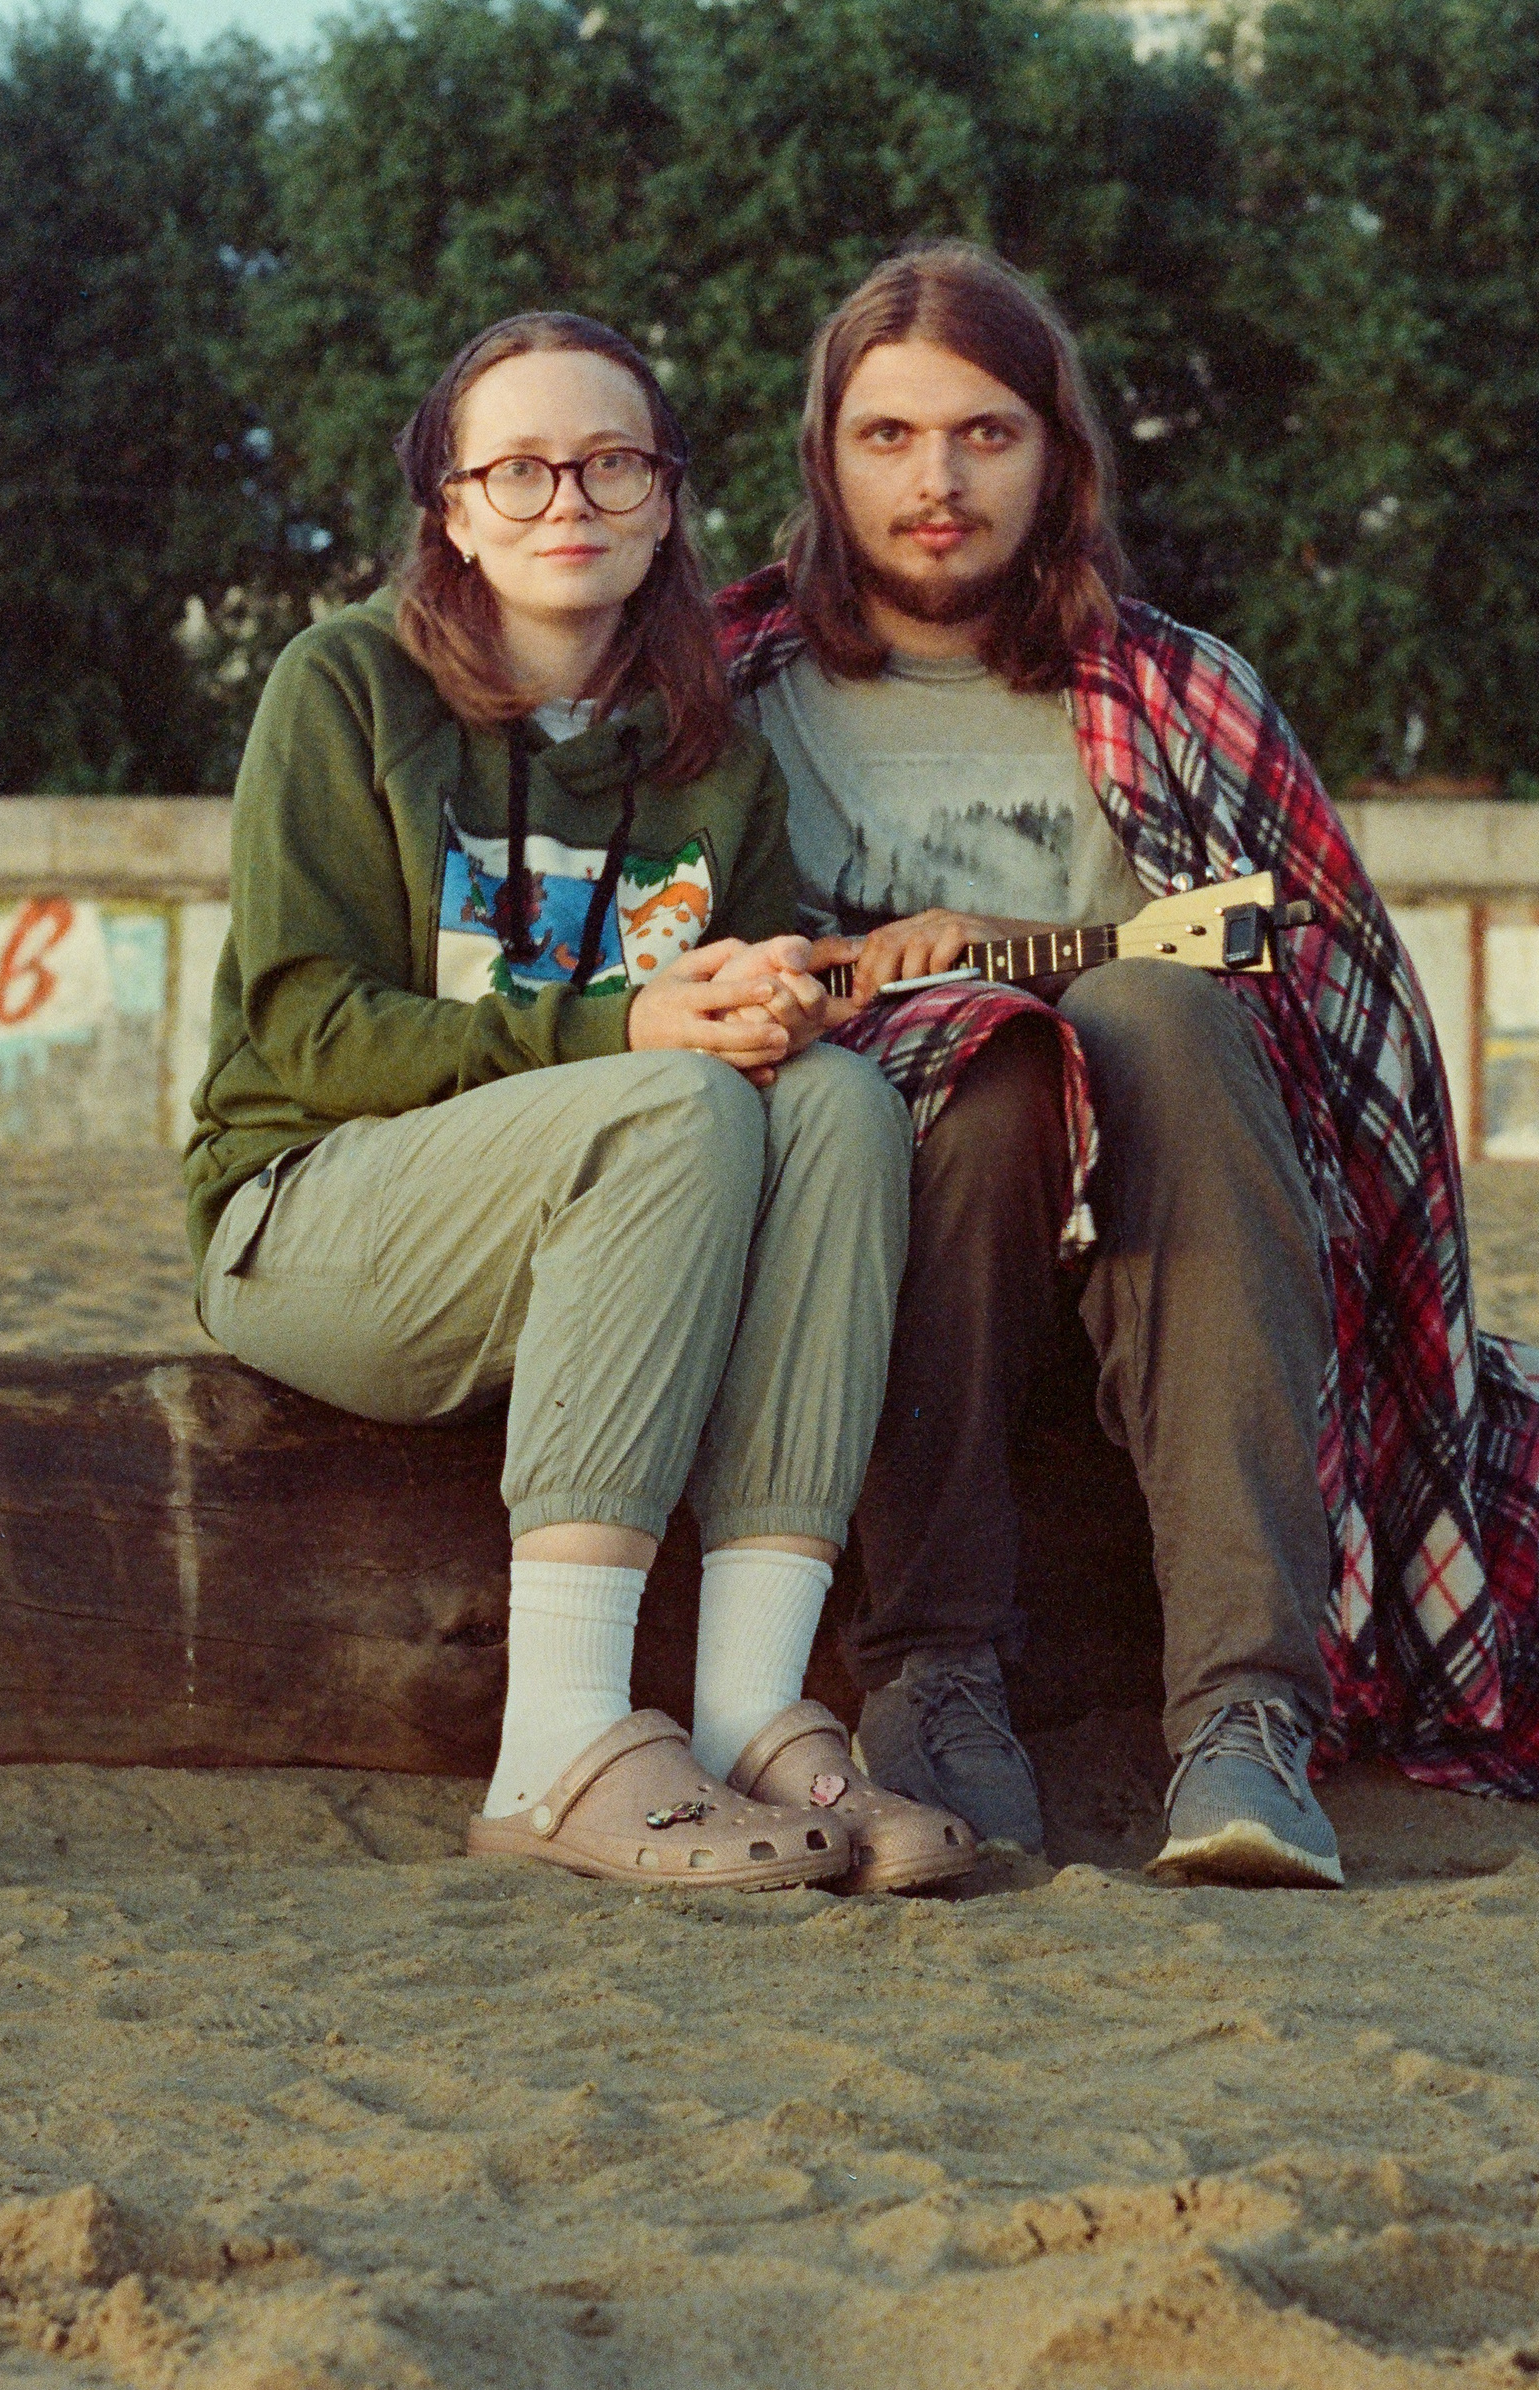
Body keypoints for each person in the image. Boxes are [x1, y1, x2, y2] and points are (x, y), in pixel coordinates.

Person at [718, 244, 1539, 1887]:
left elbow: (1307, 969)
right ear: (824, 456)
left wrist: (1005, 947)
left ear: (1057, 454)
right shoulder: (725, 697)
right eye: (890, 435)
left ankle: (1247, 1719)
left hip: (1179, 1239)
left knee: (1166, 1008)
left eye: (986, 434)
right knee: (983, 1073)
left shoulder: (1178, 692)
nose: (937, 479)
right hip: (892, 1240)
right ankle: (932, 1680)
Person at [185, 310, 973, 1896]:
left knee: (834, 1109)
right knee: (673, 1102)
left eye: (613, 464)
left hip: (607, 1237)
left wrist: (796, 989)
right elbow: (306, 1028)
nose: (570, 503)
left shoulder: (709, 748)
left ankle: (750, 1705)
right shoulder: (344, 685)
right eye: (522, 470)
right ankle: (554, 1741)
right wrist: (631, 1025)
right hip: (319, 1217)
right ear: (455, 509)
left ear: (668, 499)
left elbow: (741, 1034)